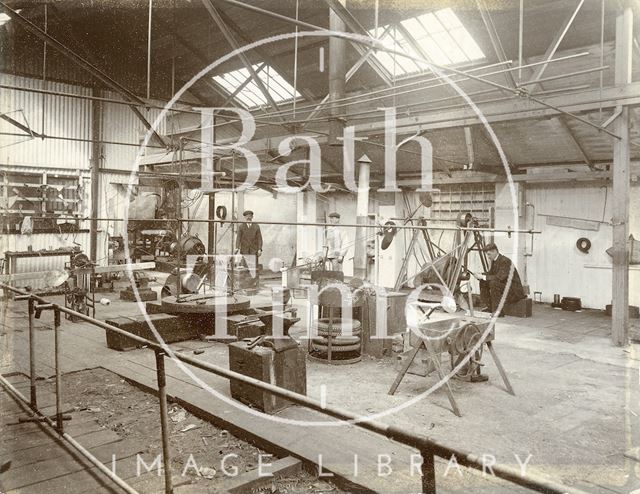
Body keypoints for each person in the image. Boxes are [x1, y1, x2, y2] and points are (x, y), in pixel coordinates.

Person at [472, 243, 525, 316]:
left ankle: (498, 312)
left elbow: (499, 277)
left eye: (489, 254)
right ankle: (490, 307)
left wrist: (483, 277)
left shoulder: (505, 261)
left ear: (494, 251)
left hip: (514, 292)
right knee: (484, 281)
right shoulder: (496, 261)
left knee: (493, 283)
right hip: (506, 288)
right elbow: (490, 274)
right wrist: (480, 275)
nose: (488, 257)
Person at [235, 210, 263, 283]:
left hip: (254, 250)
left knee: (254, 267)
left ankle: (255, 283)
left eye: (250, 216)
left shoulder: (256, 226)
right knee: (245, 267)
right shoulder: (241, 227)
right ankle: (245, 284)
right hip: (245, 250)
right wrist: (237, 247)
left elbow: (259, 238)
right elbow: (238, 238)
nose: (248, 218)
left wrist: (259, 249)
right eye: (247, 216)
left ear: (252, 217)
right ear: (244, 217)